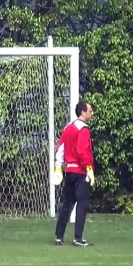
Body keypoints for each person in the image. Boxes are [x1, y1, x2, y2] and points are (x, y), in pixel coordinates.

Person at [51, 102, 95, 247]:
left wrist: (58, 168)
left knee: (67, 204)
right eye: (90, 110)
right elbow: (82, 151)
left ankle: (59, 236)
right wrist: (89, 168)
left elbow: (60, 149)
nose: (92, 113)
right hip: (81, 172)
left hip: (69, 171)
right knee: (81, 204)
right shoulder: (83, 129)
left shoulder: (68, 128)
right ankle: (78, 238)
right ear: (83, 112)